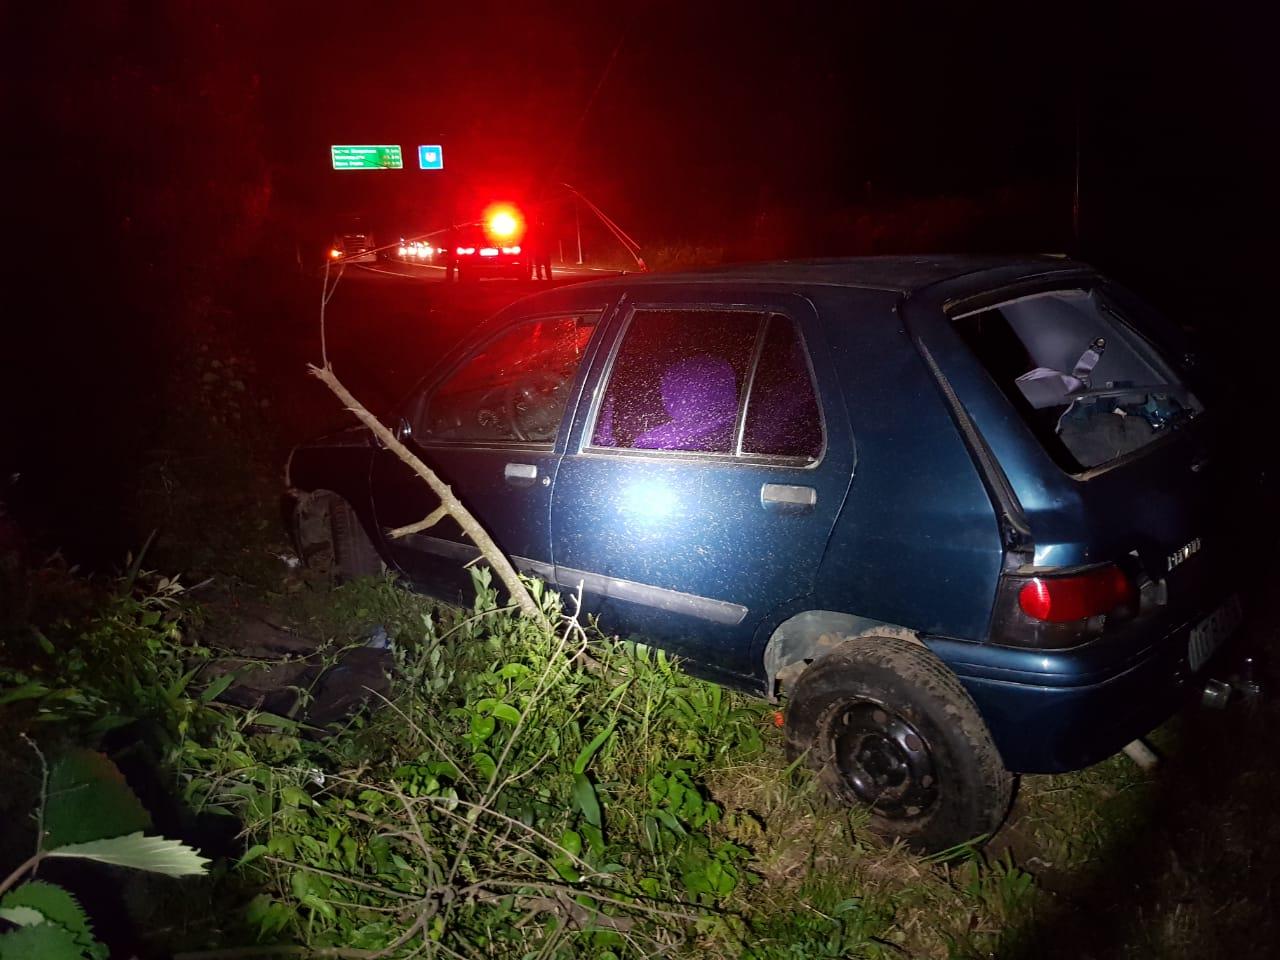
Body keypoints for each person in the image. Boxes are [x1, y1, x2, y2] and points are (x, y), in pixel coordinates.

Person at [531, 214, 553, 280]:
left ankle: (540, 278)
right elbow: (549, 239)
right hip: (544, 249)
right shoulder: (545, 229)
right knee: (547, 265)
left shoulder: (535, 229)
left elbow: (533, 240)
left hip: (538, 249)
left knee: (539, 265)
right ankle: (549, 278)